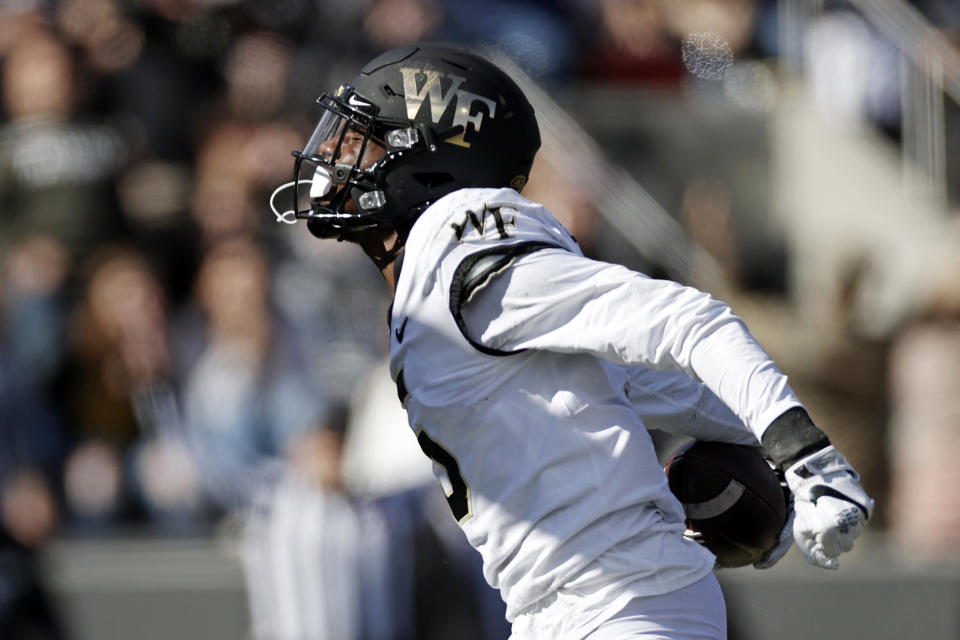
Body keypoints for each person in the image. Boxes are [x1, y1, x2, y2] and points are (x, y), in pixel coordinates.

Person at [269, 43, 874, 640]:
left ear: (423, 156)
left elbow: (685, 320)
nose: (330, 153)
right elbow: (663, 387)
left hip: (624, 606)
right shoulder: (450, 291)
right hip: (568, 614)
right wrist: (766, 455)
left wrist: (802, 454)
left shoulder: (457, 240)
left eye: (359, 137)